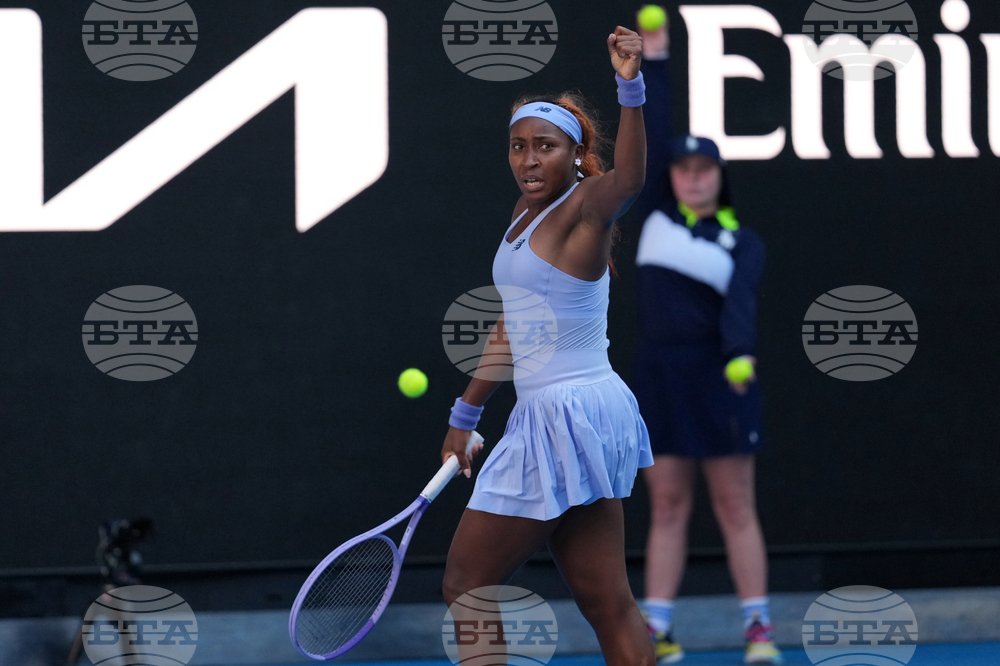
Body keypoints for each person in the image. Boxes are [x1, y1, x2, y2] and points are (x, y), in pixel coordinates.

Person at [439, 26, 656, 666]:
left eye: (545, 147)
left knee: (466, 586)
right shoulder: (522, 215)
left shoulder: (588, 206)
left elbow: (635, 179)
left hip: (567, 415)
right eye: (519, 147)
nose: (529, 160)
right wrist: (466, 415)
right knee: (607, 600)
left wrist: (630, 84)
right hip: (579, 413)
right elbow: (513, 326)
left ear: (575, 154)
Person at [632, 10, 783, 666]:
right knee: (665, 504)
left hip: (722, 378)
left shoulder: (741, 242)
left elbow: (741, 307)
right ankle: (656, 633)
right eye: (683, 168)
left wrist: (740, 355)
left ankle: (758, 630)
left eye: (704, 168)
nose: (692, 175)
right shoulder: (653, 220)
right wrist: (657, 60)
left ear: (720, 176)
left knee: (733, 501)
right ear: (671, 176)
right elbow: (655, 130)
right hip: (659, 379)